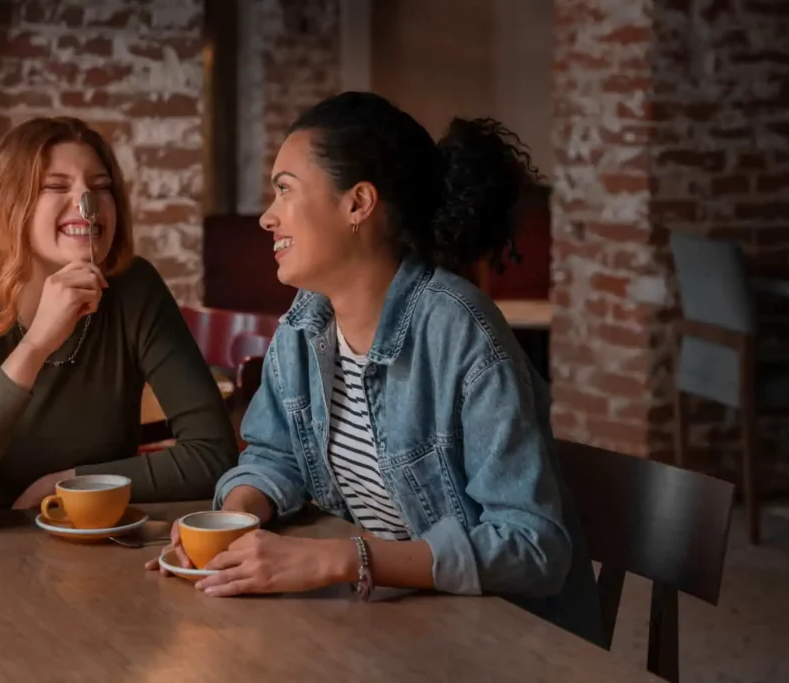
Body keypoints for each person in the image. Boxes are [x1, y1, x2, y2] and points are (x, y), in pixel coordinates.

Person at [148, 92, 604, 646]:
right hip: (404, 622)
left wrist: (345, 560)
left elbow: (533, 548)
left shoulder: (461, 330)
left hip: (510, 641)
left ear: (358, 203)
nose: (268, 217)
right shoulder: (305, 322)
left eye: (285, 189)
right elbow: (274, 454)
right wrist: (234, 522)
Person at [0, 117, 238, 537]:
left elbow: (214, 455)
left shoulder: (133, 290)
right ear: (9, 204)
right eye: (56, 186)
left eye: (101, 185)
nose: (86, 198)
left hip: (80, 557)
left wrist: (64, 485)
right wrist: (36, 344)